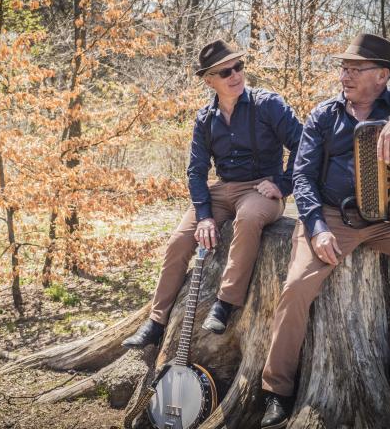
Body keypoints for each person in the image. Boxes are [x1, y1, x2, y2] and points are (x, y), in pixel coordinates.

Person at [259, 33, 390, 428]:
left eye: (357, 69)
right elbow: (301, 177)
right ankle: (276, 389)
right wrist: (317, 228)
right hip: (334, 216)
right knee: (297, 286)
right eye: (344, 67)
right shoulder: (324, 115)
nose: (346, 75)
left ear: (383, 75)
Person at [122, 39, 303, 348]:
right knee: (180, 239)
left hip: (261, 189)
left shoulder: (268, 105)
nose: (235, 75)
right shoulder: (205, 120)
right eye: (225, 72)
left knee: (247, 218)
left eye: (238, 67)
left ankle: (226, 303)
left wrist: (283, 185)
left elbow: (304, 145)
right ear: (209, 80)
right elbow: (195, 171)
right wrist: (204, 216)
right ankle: (156, 321)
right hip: (221, 189)